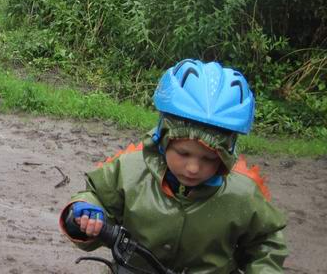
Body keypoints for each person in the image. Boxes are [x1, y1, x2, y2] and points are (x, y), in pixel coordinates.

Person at [60, 59, 287, 273]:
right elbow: (98, 196)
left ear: (226, 154)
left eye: (209, 159)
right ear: (162, 138)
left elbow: (265, 245)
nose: (193, 168)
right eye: (183, 153)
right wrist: (84, 213)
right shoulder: (130, 169)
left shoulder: (243, 193)